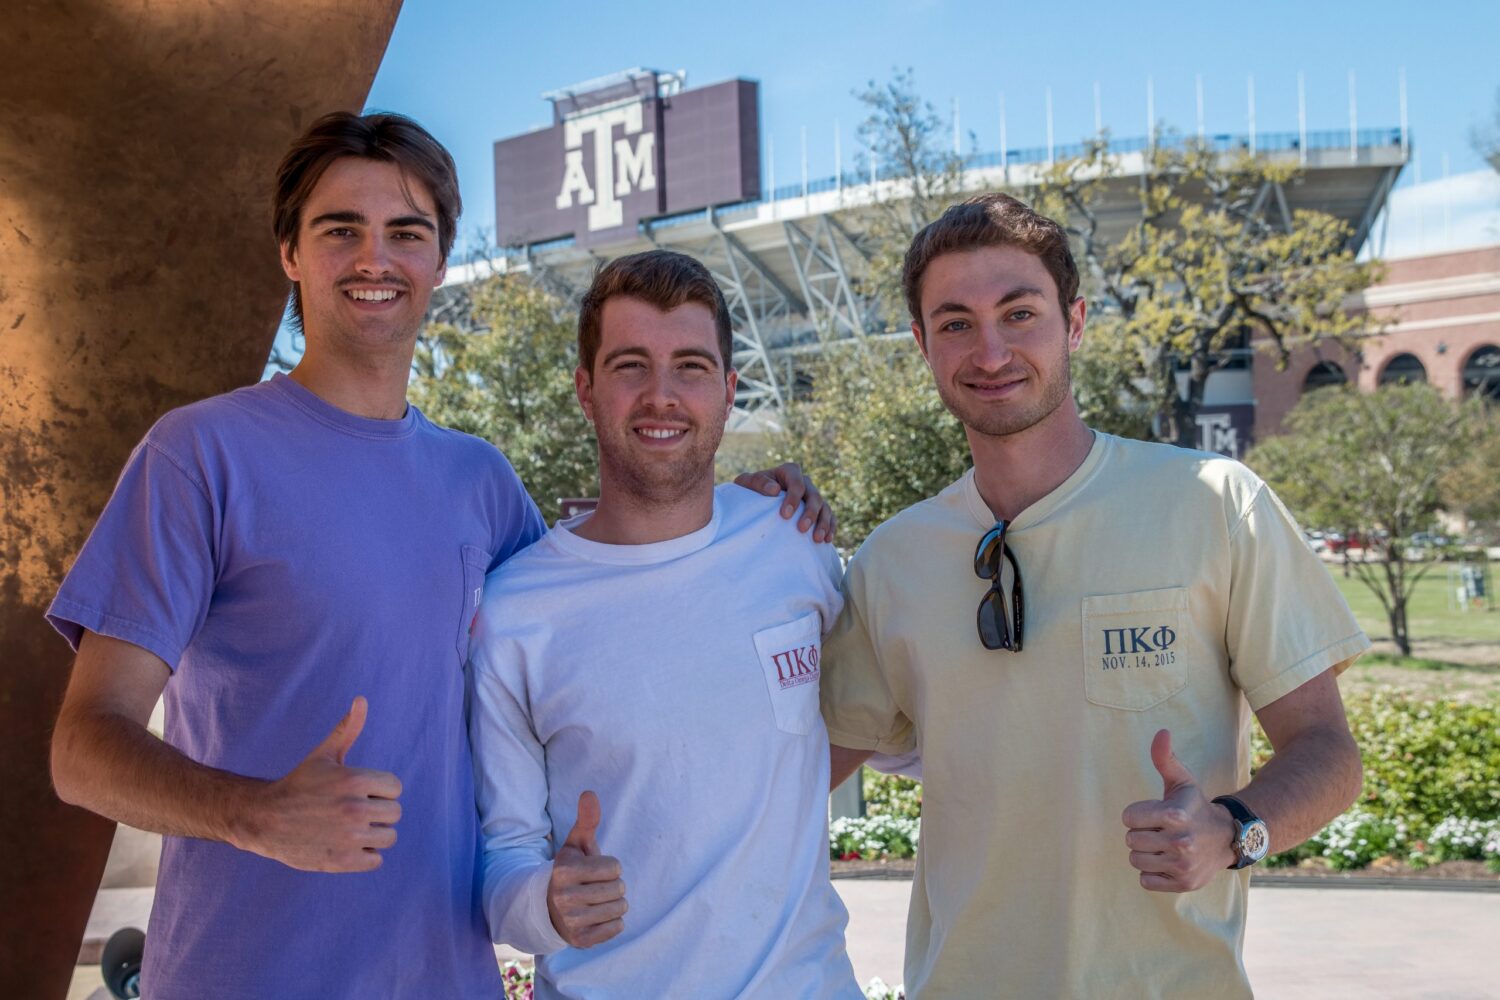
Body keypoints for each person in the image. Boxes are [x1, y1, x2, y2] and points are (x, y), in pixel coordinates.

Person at [46, 112, 828, 999]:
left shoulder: (481, 483)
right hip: (249, 971)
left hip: (448, 977)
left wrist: (733, 510)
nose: (375, 258)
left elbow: (606, 612)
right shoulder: (198, 456)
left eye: (406, 233)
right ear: (290, 254)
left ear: (439, 263)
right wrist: (253, 813)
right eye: (341, 229)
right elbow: (82, 751)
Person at [820, 193, 1370, 999]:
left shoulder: (1215, 504)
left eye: (1020, 312)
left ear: (1074, 322)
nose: (991, 349)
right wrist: (746, 519)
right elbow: (792, 774)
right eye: (956, 322)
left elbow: (1328, 753)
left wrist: (1230, 829)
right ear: (921, 344)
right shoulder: (892, 560)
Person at [467, 249, 863, 999]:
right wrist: (546, 903)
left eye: (689, 366)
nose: (661, 396)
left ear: (728, 390)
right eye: (629, 367)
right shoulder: (514, 612)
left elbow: (886, 716)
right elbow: (504, 858)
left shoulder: (794, 544)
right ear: (585, 390)